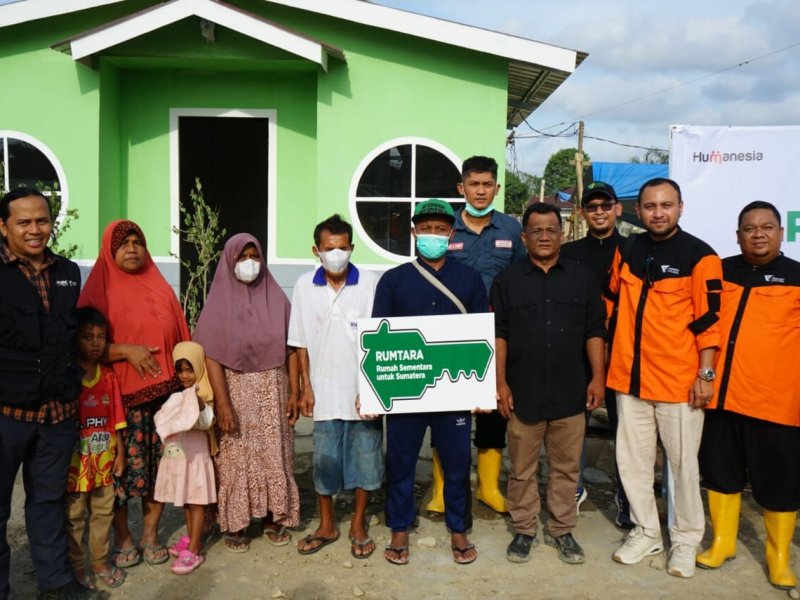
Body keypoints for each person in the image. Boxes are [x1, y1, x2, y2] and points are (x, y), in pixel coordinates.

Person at [605, 178, 721, 578]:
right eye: (651, 206)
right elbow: (611, 303)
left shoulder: (700, 256)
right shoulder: (628, 249)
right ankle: (645, 530)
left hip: (678, 382)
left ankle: (686, 540)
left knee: (683, 466)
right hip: (629, 380)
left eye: (666, 205)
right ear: (639, 210)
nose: (658, 213)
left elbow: (710, 322)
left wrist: (705, 374)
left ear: (680, 208)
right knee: (632, 463)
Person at [372, 198, 487, 566]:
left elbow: (479, 335)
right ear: (413, 233)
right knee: (401, 461)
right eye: (425, 229)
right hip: (407, 393)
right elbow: (380, 340)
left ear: (451, 234)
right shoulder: (393, 281)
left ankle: (458, 528)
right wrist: (375, 393)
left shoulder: (469, 279)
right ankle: (400, 526)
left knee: (456, 461)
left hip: (453, 392)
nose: (432, 235)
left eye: (440, 229)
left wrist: (481, 388)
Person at [492, 202, 606, 565]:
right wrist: (501, 384)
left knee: (566, 469)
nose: (544, 236)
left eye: (551, 230)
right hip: (522, 392)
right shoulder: (507, 282)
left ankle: (562, 529)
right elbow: (499, 335)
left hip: (571, 391)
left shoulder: (583, 278)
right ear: (524, 238)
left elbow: (594, 331)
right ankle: (524, 529)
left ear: (562, 235)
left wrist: (598, 379)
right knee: (522, 468)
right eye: (536, 230)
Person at [696, 201, 800, 590]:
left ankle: (778, 557)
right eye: (749, 228)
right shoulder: (720, 271)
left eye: (767, 227)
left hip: (776, 403)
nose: (758, 234)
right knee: (721, 472)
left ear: (781, 232)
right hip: (721, 397)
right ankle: (722, 542)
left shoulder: (796, 276)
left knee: (779, 482)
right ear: (737, 234)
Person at [0, 188, 97, 600]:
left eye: (42, 220)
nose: (35, 229)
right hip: (6, 415)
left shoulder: (69, 272)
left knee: (47, 504)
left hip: (57, 415)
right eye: (24, 222)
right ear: (3, 227)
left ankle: (56, 585)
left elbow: (74, 336)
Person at [79, 220, 191, 568]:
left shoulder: (159, 285)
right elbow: (82, 347)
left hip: (163, 402)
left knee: (160, 470)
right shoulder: (99, 290)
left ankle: (150, 533)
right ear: (110, 250)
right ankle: (123, 537)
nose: (132, 248)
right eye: (123, 243)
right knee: (120, 472)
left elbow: (181, 335)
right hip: (117, 403)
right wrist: (126, 350)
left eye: (137, 241)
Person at [193, 233, 300, 553]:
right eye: (242, 257)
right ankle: (237, 521)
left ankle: (271, 516)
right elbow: (210, 353)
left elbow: (292, 346)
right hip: (235, 390)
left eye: (255, 256)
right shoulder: (218, 303)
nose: (249, 263)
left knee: (273, 453)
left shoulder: (277, 297)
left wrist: (295, 390)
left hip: (273, 389)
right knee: (236, 457)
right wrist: (223, 404)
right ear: (229, 261)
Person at [288, 215, 382, 558]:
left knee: (366, 459)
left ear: (352, 248)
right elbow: (299, 343)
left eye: (343, 248)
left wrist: (372, 387)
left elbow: (379, 338)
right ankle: (327, 523)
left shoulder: (371, 283)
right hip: (323, 390)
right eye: (330, 249)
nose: (337, 254)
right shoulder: (302, 286)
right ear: (317, 250)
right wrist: (303, 389)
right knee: (325, 461)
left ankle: (358, 522)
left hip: (363, 391)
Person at [438, 155, 526, 515]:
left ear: (497, 188)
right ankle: (443, 489)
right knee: (446, 411)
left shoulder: (510, 229)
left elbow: (523, 280)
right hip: (449, 336)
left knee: (491, 412)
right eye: (473, 184)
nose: (480, 191)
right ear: (461, 188)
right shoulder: (445, 229)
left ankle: (488, 487)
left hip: (496, 337)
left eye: (487, 184)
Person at [561, 181, 632, 527]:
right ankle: (572, 490)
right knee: (574, 428)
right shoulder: (570, 253)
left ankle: (627, 496)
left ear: (618, 209)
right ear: (583, 212)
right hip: (579, 354)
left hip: (626, 354)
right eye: (592, 207)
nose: (600, 212)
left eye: (606, 205)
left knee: (627, 430)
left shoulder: (634, 249)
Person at [65, 307, 127, 590]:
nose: (95, 343)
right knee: (75, 516)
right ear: (75, 338)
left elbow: (117, 418)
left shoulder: (108, 376)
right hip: (75, 465)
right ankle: (76, 566)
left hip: (104, 461)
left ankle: (100, 560)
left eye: (101, 337)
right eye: (88, 337)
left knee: (103, 512)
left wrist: (120, 453)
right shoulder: (68, 375)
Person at [153, 342, 216, 575]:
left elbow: (207, 422)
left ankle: (193, 551)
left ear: (199, 367)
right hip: (183, 460)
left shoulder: (204, 395)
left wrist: (197, 404)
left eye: (190, 369)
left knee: (196, 502)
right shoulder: (178, 396)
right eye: (180, 370)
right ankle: (193, 540)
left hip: (196, 459)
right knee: (187, 503)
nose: (185, 375)